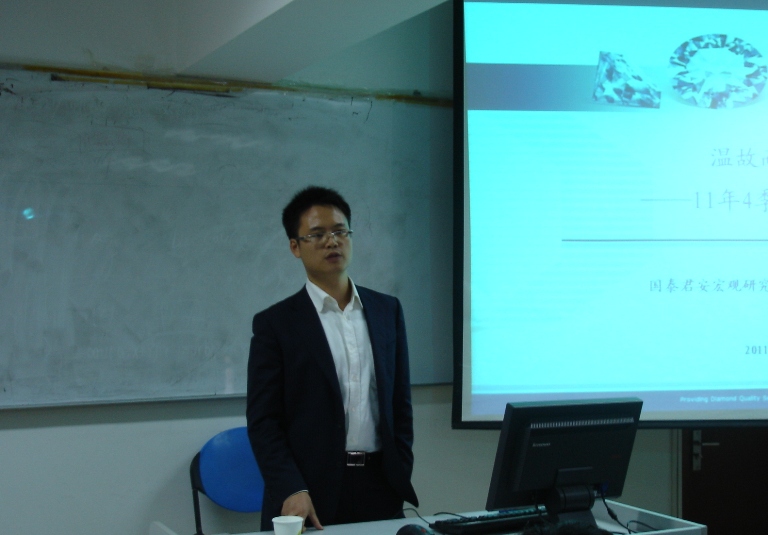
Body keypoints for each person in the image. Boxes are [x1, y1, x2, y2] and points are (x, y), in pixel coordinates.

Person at [246, 186, 419, 531]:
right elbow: (264, 422)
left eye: (340, 231)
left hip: (379, 485)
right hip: (308, 491)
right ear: (295, 247)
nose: (332, 242)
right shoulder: (276, 324)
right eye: (317, 234)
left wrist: (399, 468)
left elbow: (400, 404)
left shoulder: (386, 310)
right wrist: (291, 487)